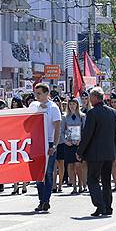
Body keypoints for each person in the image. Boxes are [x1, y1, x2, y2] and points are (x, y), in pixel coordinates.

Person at [77, 87, 116, 217]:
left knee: (92, 179)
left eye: (90, 97)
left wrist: (80, 151)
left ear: (95, 98)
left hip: (95, 154)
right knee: (106, 180)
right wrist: (114, 150)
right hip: (109, 152)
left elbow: (87, 134)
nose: (89, 99)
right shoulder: (112, 112)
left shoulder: (92, 113)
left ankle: (100, 205)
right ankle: (108, 206)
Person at [29, 83, 61, 213]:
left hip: (48, 143)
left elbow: (57, 128)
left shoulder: (53, 108)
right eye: (36, 93)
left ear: (47, 94)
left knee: (47, 173)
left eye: (39, 93)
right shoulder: (33, 106)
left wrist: (54, 145)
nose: (37, 96)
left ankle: (46, 200)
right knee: (38, 174)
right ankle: (41, 199)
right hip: (36, 143)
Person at [61, 99, 85, 195]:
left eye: (74, 104)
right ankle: (74, 186)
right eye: (70, 104)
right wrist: (65, 141)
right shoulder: (65, 117)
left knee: (78, 165)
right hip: (69, 144)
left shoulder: (82, 116)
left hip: (78, 143)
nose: (72, 106)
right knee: (70, 166)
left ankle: (81, 184)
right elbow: (62, 131)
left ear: (77, 105)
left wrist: (81, 140)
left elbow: (85, 130)